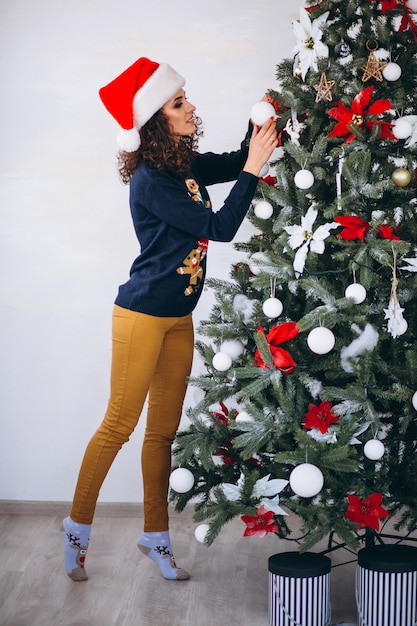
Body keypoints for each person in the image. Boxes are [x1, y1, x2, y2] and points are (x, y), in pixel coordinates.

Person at [61, 56, 278, 582]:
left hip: (178, 318)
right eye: (179, 103)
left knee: (161, 434)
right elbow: (220, 227)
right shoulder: (151, 181)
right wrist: (254, 166)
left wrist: (257, 133)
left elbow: (229, 163)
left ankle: (155, 537)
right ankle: (75, 532)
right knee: (119, 425)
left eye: (185, 99)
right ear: (155, 120)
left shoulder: (183, 164)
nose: (191, 107)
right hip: (140, 318)